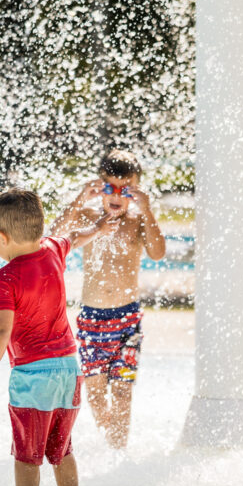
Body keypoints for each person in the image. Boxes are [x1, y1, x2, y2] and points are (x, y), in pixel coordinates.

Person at [0, 187, 117, 486]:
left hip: (32, 375)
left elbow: (0, 331)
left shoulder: (5, 277)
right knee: (62, 450)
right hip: (68, 369)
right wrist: (99, 228)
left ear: (3, 237)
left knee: (28, 454)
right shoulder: (52, 249)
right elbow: (75, 238)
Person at [50, 149, 166, 449]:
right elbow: (54, 236)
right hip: (92, 320)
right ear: (99, 186)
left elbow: (157, 252)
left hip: (127, 320)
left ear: (136, 191)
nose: (117, 195)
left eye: (125, 189)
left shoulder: (139, 221)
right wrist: (78, 199)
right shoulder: (88, 217)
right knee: (97, 394)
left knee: (123, 392)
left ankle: (119, 453)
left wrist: (149, 210)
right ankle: (110, 444)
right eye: (110, 187)